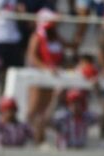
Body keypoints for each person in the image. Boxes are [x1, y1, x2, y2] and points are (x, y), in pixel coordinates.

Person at [26, 8, 75, 144]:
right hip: (39, 77)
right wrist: (47, 68)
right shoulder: (37, 36)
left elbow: (69, 47)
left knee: (45, 112)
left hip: (52, 78)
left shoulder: (55, 36)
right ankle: (30, 138)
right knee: (34, 110)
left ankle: (40, 139)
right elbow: (32, 57)